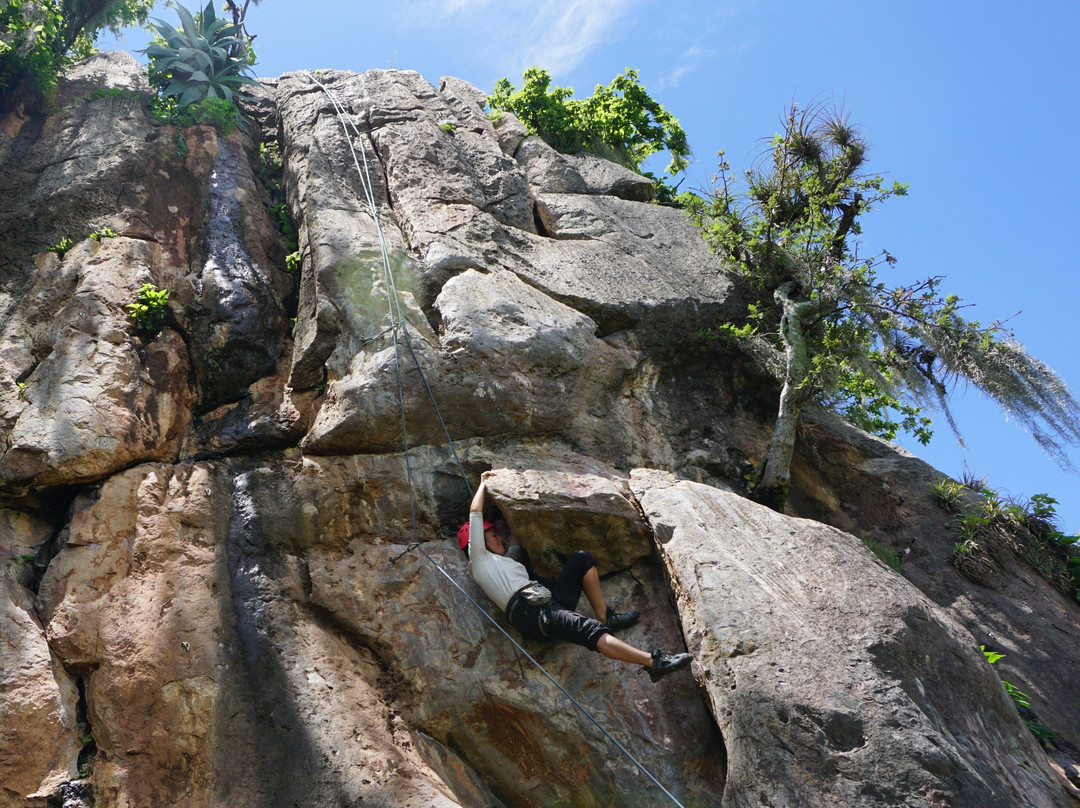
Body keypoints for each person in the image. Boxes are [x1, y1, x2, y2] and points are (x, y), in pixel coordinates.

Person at [460, 477, 693, 683]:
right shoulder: (479, 561)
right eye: (492, 535)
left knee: (581, 559)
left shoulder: (506, 560)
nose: (498, 537)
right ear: (478, 541)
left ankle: (606, 617)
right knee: (590, 631)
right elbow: (475, 514)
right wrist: (483, 483)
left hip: (546, 603)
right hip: (533, 615)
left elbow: (516, 537)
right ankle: (655, 663)